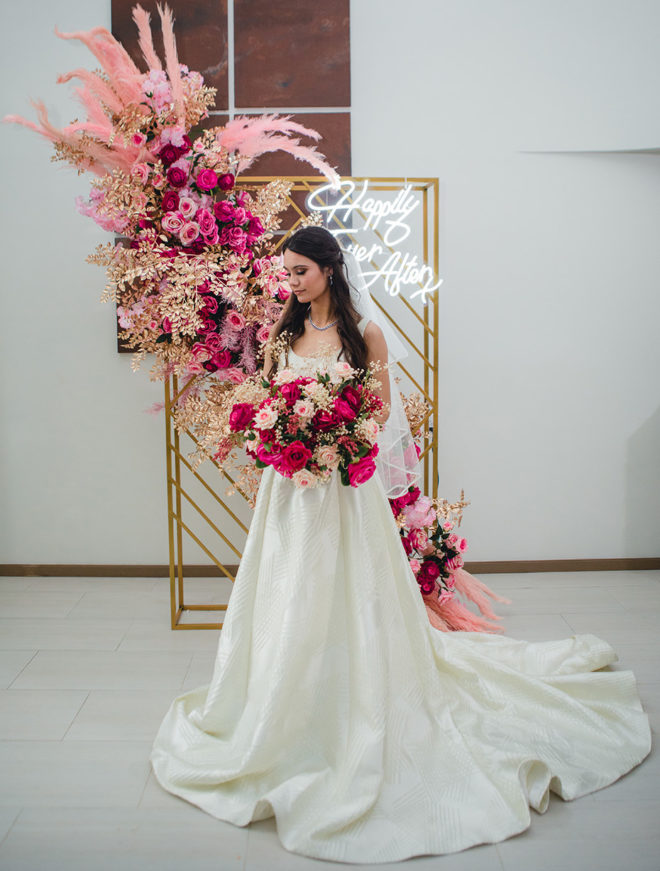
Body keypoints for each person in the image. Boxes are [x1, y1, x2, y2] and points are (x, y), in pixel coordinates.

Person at [151, 226, 651, 865]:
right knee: (290, 585)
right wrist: (285, 437)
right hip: (292, 491)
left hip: (344, 488)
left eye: (300, 270)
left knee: (353, 590)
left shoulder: (368, 337)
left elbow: (379, 415)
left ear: (329, 271)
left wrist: (332, 435)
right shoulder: (281, 336)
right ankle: (283, 695)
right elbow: (271, 400)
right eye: (288, 271)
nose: (291, 282)